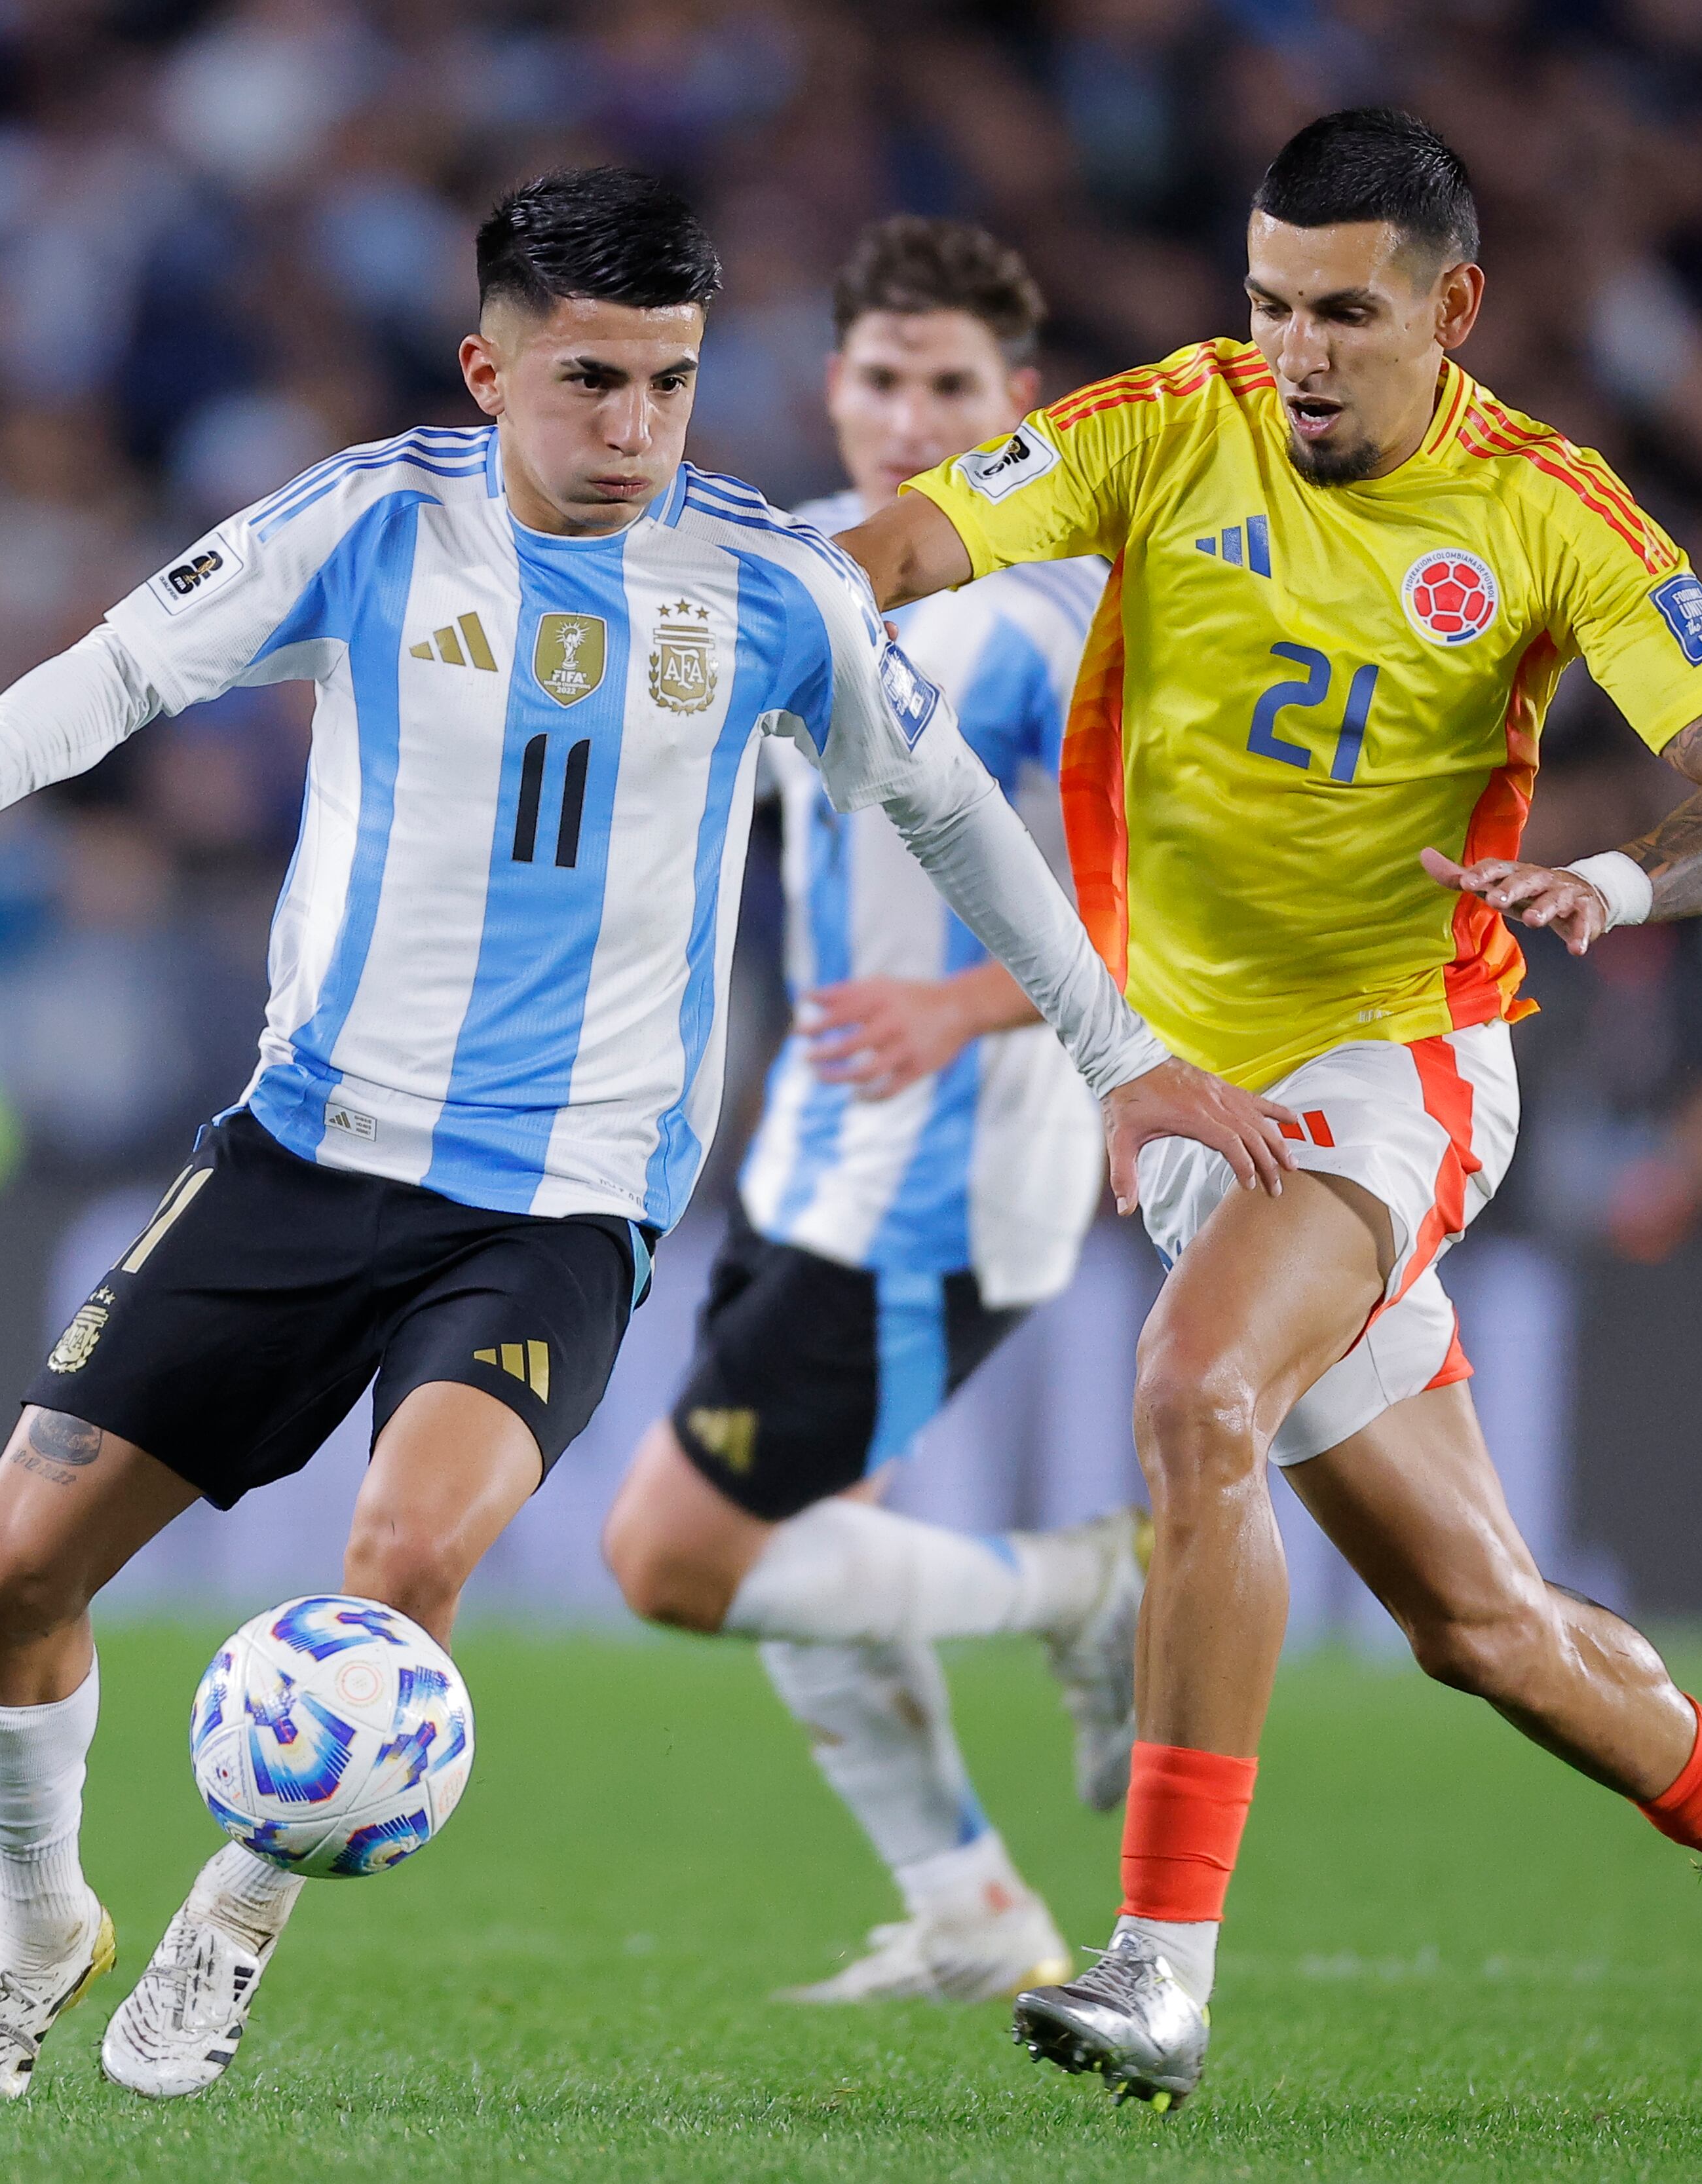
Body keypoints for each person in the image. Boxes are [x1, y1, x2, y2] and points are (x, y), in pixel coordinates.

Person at [0, 167, 1293, 2105]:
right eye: (590, 380)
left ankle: (230, 1926)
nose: (633, 432)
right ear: (486, 367)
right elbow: (135, 657)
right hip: (306, 1146)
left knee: (405, 1556)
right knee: (12, 1573)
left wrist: (1115, 1058)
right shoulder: (368, 521)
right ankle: (38, 1928)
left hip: (564, 1198)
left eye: (671, 386)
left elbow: (955, 816)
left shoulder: (772, 586)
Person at [839, 110, 1702, 2106]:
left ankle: (1159, 1971)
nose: (1297, 351)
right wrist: (759, 614)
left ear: (1451, 309)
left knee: (1196, 1397)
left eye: (1347, 315)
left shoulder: (1546, 508)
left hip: (1401, 1063)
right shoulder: (1166, 425)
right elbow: (908, 543)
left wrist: (1618, 883)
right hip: (1197, 1098)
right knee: (1489, 1629)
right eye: (1273, 304)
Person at [597, 216, 1143, 2007]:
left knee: (678, 1558)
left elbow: (1166, 908)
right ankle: (976, 1918)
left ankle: (1087, 1592)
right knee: (814, 1556)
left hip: (963, 1163)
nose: (914, 416)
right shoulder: (810, 567)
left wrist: (962, 1002)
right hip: (812, 1151)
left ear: (1020, 409)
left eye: (954, 388)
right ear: (834, 388)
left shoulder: (1063, 619)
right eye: (887, 379)